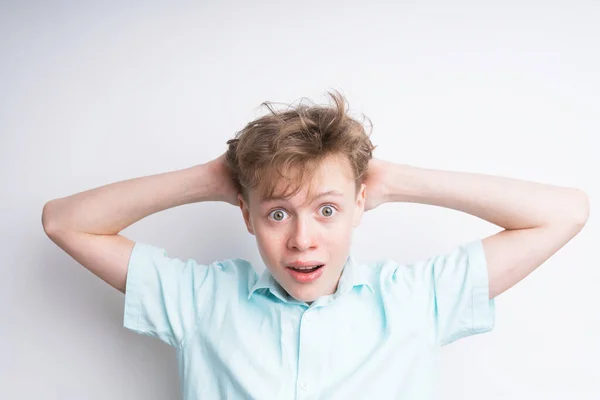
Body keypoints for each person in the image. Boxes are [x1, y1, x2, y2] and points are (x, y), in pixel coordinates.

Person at [42, 90, 590, 400]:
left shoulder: (417, 299)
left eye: (327, 210)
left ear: (359, 206)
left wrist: (396, 181)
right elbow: (63, 222)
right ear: (247, 216)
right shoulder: (200, 299)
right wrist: (212, 177)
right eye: (278, 212)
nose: (303, 240)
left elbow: (565, 214)